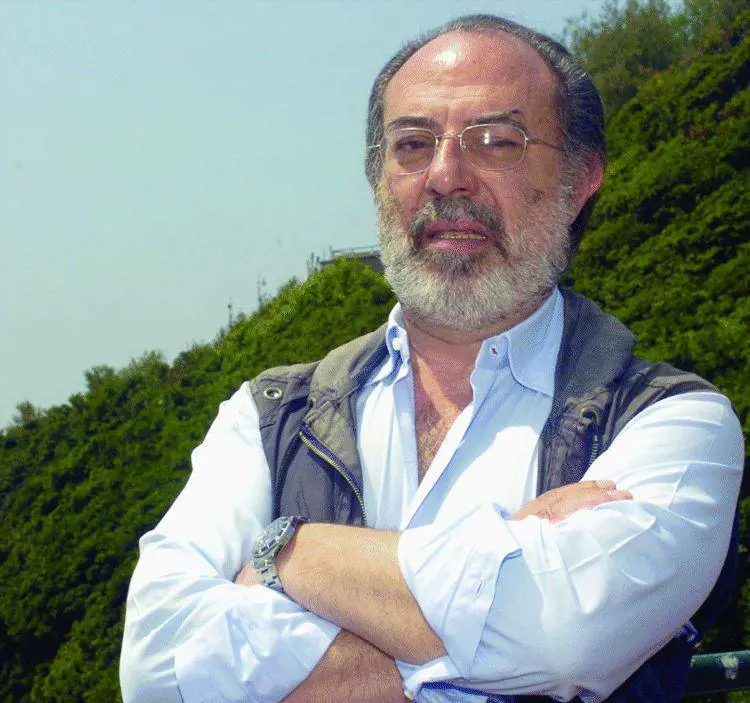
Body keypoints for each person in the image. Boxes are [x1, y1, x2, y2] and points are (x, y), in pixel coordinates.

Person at [119, 14, 743, 703]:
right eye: (413, 144)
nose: (447, 176)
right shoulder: (269, 420)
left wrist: (292, 553)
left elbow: (562, 641)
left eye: (497, 141)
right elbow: (156, 668)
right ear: (378, 180)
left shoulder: (673, 425)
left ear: (581, 180)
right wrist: (495, 594)